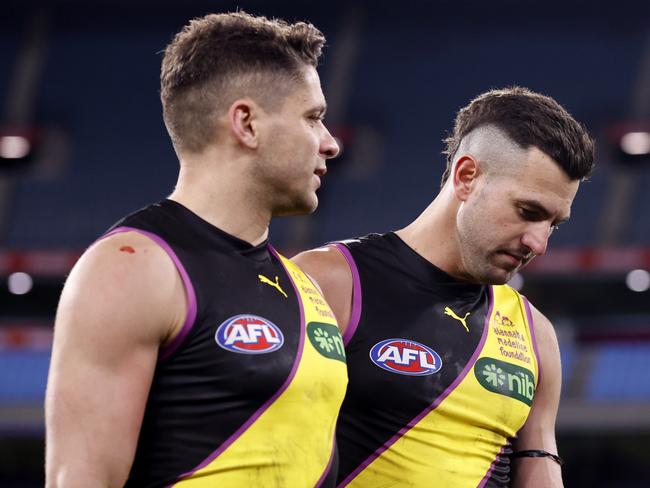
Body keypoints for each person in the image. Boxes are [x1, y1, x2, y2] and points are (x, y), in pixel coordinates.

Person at [45, 12, 346, 488]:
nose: (330, 144)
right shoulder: (135, 267)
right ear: (246, 123)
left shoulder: (302, 285)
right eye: (313, 118)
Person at [293, 87, 595, 487]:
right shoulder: (329, 282)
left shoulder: (534, 333)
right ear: (467, 176)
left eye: (552, 224)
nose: (538, 244)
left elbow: (538, 462)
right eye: (528, 212)